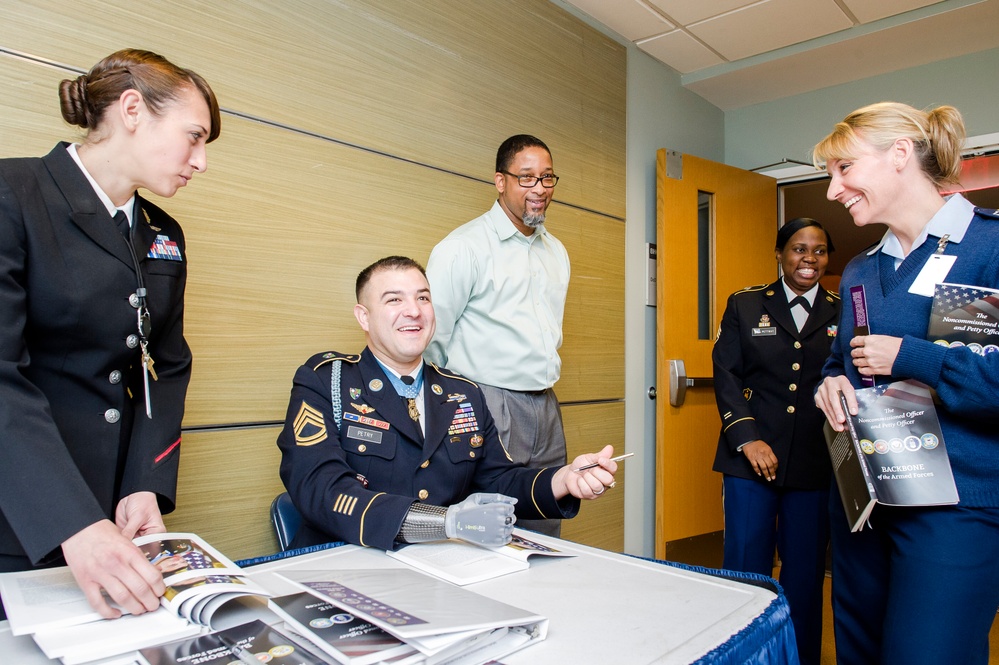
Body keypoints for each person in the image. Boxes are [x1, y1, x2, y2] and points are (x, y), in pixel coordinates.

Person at [0, 49, 221, 620]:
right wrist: (71, 519)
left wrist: (145, 482)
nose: (201, 162)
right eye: (193, 137)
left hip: (111, 511)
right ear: (131, 109)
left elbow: (165, 365)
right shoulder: (13, 194)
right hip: (23, 506)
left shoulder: (161, 233)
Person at [812, 102, 999, 665]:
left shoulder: (987, 249)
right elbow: (843, 361)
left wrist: (911, 355)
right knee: (860, 652)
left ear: (898, 156)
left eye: (843, 169)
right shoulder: (863, 270)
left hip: (953, 508)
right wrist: (831, 385)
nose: (832, 190)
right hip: (866, 498)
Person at [276, 256, 618, 551]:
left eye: (423, 298)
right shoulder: (326, 380)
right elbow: (320, 489)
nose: (414, 311)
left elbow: (499, 480)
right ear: (364, 317)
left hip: (443, 566)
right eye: (394, 300)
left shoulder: (462, 392)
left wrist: (564, 479)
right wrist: (446, 522)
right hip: (346, 562)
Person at [425, 134, 570, 537]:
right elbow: (432, 341)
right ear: (500, 181)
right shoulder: (463, 248)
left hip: (545, 405)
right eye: (526, 178)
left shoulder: (555, 251)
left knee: (545, 521)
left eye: (547, 178)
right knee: (490, 528)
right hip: (487, 402)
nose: (539, 189)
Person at [711, 218, 840, 665]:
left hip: (813, 463)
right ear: (780, 254)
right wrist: (747, 438)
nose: (809, 260)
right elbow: (725, 375)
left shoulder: (841, 311)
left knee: (805, 576)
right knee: (747, 569)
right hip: (749, 461)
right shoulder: (746, 305)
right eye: (799, 250)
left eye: (819, 251)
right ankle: (742, 657)